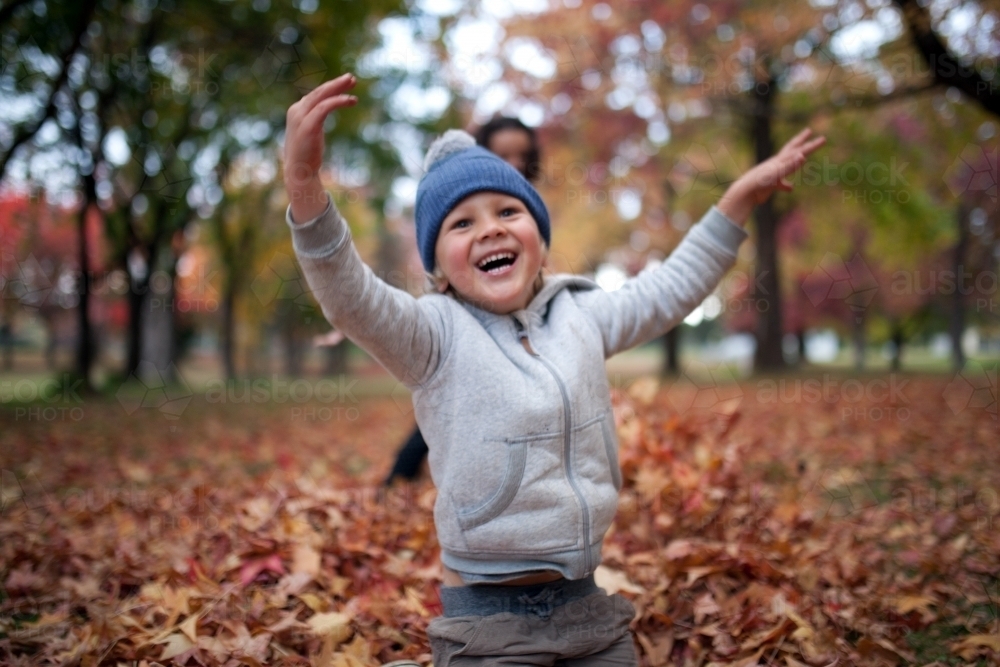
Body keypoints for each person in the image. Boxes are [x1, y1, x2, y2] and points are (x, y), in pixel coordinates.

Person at [282, 72, 825, 667]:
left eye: (507, 210)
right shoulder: (430, 334)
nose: (489, 226)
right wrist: (305, 184)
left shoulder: (582, 313)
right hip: (488, 620)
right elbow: (348, 293)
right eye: (461, 224)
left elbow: (672, 287)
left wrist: (737, 200)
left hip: (586, 603)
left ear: (537, 234)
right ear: (438, 267)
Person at [385, 115, 542, 486]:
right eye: (504, 154)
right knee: (452, 407)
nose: (515, 163)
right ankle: (400, 475)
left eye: (523, 155)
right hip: (466, 328)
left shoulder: (527, 208)